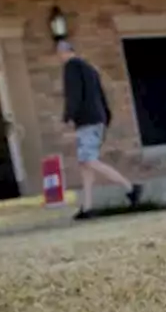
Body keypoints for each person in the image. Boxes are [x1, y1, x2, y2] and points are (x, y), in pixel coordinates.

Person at [57, 40, 142, 218]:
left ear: (65, 52)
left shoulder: (71, 67)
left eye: (60, 53)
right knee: (84, 165)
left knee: (88, 161)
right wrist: (106, 117)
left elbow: (74, 93)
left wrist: (67, 116)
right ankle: (87, 207)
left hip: (87, 121)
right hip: (97, 119)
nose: (59, 57)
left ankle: (130, 187)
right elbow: (101, 95)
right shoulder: (90, 69)